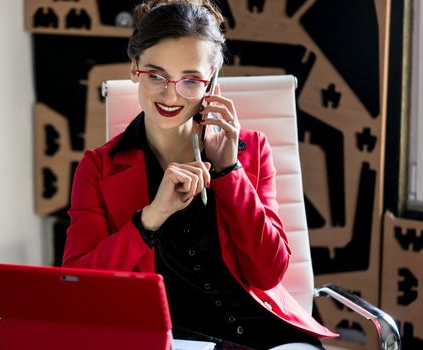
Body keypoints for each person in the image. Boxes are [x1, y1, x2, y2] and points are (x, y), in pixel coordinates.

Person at [62, 0, 338, 348]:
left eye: (190, 79)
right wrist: (149, 220)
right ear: (135, 68)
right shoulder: (98, 168)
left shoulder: (251, 150)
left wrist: (229, 171)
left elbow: (268, 273)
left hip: (264, 335)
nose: (171, 93)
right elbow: (79, 288)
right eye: (156, 75)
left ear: (211, 81)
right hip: (175, 340)